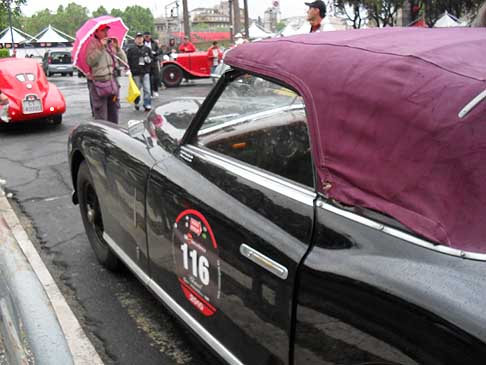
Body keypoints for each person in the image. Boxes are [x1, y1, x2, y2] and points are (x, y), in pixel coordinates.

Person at [86, 24, 127, 124]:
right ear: (96, 32)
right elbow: (90, 61)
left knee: (114, 113)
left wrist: (118, 49)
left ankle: (114, 134)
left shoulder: (110, 44)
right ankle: (102, 137)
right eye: (103, 31)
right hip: (99, 84)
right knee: (101, 116)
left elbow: (124, 62)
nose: (106, 33)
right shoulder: (92, 43)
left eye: (107, 30)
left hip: (112, 82)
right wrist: (100, 47)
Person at [126, 32, 153, 111]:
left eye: (141, 38)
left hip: (145, 72)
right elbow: (128, 60)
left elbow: (151, 59)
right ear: (135, 39)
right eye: (138, 38)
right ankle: (137, 102)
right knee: (137, 90)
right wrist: (129, 70)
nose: (139, 39)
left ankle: (147, 104)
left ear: (143, 39)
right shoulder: (131, 50)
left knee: (147, 89)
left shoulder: (147, 49)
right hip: (136, 73)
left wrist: (148, 60)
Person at [143, 31, 161, 97]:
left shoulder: (154, 43)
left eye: (148, 36)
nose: (147, 37)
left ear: (150, 36)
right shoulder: (142, 43)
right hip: (146, 62)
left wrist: (155, 53)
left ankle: (155, 90)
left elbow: (159, 50)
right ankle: (150, 92)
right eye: (146, 36)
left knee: (156, 77)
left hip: (154, 61)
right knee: (148, 78)